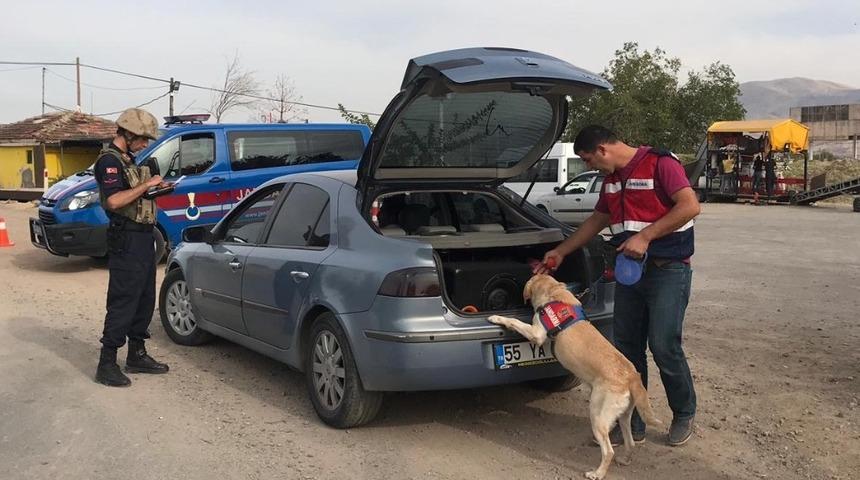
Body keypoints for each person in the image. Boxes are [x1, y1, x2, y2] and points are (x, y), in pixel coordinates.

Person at [534, 125, 701, 446]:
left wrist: (645, 235)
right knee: (627, 351)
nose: (589, 167)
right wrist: (561, 251)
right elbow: (596, 222)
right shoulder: (610, 182)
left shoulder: (660, 164)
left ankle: (683, 412)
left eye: (588, 159)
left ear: (603, 150)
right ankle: (633, 423)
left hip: (668, 271)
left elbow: (690, 206)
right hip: (630, 275)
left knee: (664, 345)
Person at [93, 108, 170, 387]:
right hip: (126, 238)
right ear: (127, 133)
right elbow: (114, 201)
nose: (146, 144)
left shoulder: (128, 159)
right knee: (124, 299)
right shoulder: (109, 162)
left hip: (143, 236)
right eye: (143, 138)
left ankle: (137, 353)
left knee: (145, 296)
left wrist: (157, 188)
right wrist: (147, 185)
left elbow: (136, 196)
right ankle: (107, 363)